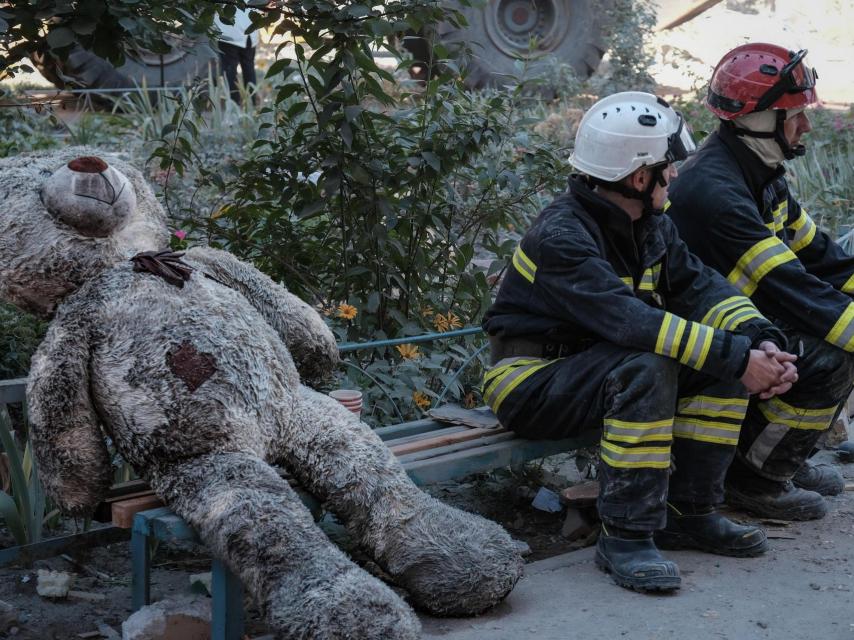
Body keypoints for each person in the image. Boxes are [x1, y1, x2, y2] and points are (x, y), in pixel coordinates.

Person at [481, 91, 799, 593]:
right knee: (651, 363)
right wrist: (737, 358)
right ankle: (626, 536)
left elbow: (702, 288)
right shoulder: (563, 235)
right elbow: (634, 324)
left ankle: (689, 512)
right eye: (668, 167)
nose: (675, 175)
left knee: (708, 361)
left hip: (594, 368)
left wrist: (757, 340)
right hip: (530, 383)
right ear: (638, 176)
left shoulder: (650, 225)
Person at [666, 43, 854, 521]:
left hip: (745, 315)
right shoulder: (717, 191)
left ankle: (783, 455)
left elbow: (821, 259)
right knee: (829, 357)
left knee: (833, 340)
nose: (806, 125)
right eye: (796, 115)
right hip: (701, 329)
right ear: (759, 119)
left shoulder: (762, 172)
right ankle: (756, 480)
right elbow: (789, 285)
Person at [214, 8, 260, 104]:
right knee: (248, 68)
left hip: (228, 32)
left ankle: (234, 104)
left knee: (229, 70)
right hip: (249, 30)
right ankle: (252, 104)